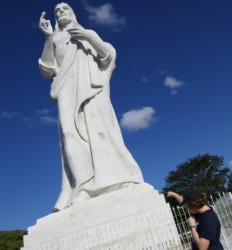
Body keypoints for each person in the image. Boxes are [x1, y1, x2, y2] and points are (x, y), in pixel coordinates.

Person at [38, 2, 144, 212]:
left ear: (73, 12)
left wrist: (87, 36)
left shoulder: (87, 33)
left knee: (100, 130)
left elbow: (108, 55)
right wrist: (48, 37)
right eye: (57, 11)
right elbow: (48, 69)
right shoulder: (56, 38)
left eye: (64, 8)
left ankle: (114, 179)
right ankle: (83, 187)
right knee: (70, 135)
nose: (60, 12)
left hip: (91, 88)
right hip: (66, 90)